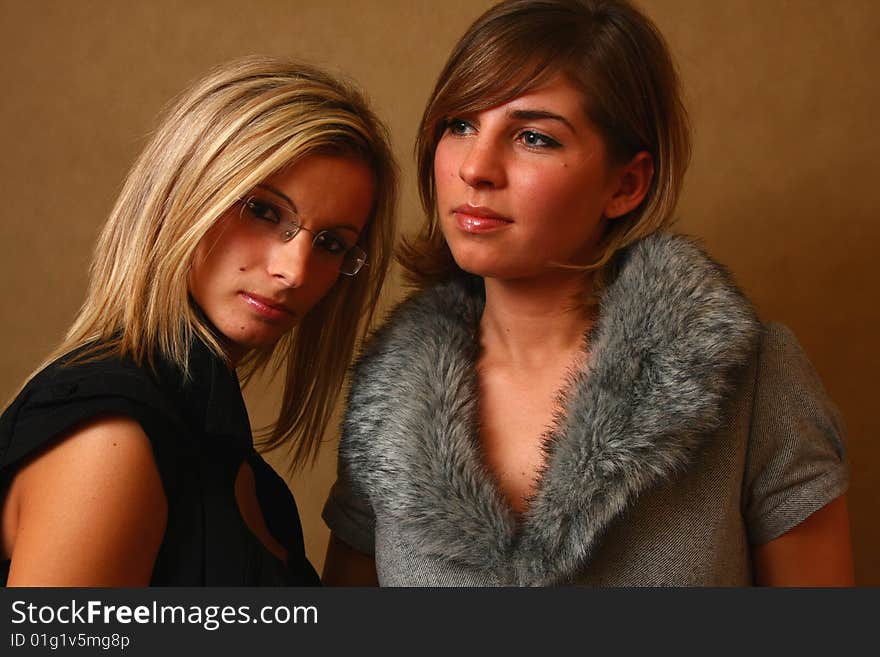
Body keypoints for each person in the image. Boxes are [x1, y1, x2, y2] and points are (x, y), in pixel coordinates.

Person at [321, 0, 853, 586]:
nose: (476, 166)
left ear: (626, 185)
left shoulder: (754, 377)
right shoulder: (386, 399)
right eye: (460, 125)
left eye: (533, 137)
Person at [0, 56, 397, 586]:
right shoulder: (112, 434)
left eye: (330, 244)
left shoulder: (238, 468)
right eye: (262, 211)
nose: (294, 271)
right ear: (182, 195)